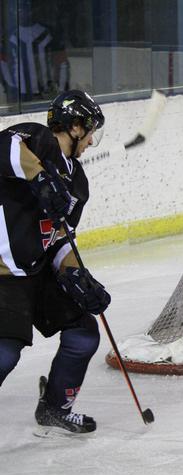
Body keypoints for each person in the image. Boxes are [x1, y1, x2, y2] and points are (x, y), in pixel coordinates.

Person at [0, 89, 110, 436]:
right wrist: (40, 178)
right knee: (4, 354)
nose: (92, 141)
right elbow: (3, 148)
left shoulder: (77, 182)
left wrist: (75, 272)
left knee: (84, 334)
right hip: (4, 273)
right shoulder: (37, 139)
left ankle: (54, 407)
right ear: (75, 126)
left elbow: (60, 236)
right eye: (90, 131)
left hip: (38, 269)